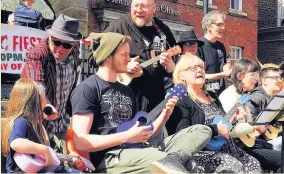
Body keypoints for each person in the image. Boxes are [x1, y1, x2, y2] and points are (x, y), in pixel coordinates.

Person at [70, 32, 212, 173]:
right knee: (167, 161)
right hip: (110, 158)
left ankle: (173, 159)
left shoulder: (126, 91)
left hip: (137, 150)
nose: (129, 59)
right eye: (124, 54)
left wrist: (165, 114)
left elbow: (144, 134)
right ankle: (169, 160)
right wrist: (126, 136)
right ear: (108, 56)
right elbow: (80, 142)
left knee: (202, 130)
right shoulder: (87, 89)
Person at [167, 54, 261, 173]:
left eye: (201, 66)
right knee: (232, 165)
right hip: (201, 152)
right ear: (181, 75)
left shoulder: (211, 96)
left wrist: (232, 120)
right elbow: (183, 133)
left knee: (254, 164)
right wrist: (214, 129)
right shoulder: (181, 99)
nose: (199, 70)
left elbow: (223, 123)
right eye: (193, 68)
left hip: (227, 147)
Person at [21, 14, 82, 153]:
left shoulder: (75, 51)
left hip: (62, 120)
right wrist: (45, 104)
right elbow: (36, 82)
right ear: (49, 37)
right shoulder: (37, 54)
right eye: (56, 42)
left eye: (66, 44)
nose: (60, 48)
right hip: (38, 120)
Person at [104, 0, 177, 112]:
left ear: (153, 9)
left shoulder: (162, 30)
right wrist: (123, 65)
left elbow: (177, 61)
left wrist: (171, 67)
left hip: (156, 100)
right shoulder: (118, 26)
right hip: (125, 99)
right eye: (135, 6)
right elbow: (94, 57)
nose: (138, 10)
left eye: (143, 6)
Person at [219, 60, 282, 173]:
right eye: (253, 74)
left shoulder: (245, 96)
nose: (256, 78)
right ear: (240, 76)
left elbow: (250, 123)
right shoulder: (228, 96)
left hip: (249, 143)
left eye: (257, 74)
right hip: (235, 146)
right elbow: (228, 127)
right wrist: (254, 128)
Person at [197, 10, 232, 96]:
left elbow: (224, 67)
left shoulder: (221, 46)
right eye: (219, 24)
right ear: (209, 26)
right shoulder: (198, 46)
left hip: (221, 92)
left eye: (223, 25)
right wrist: (223, 74)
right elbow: (197, 75)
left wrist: (229, 69)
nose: (223, 28)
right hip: (205, 93)